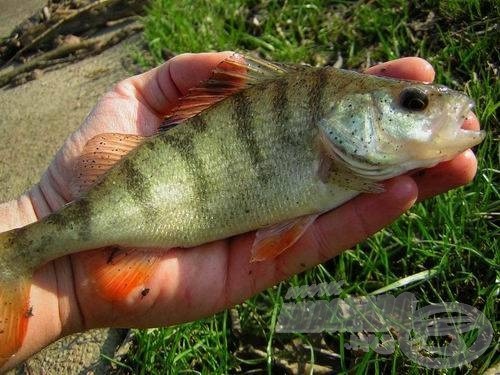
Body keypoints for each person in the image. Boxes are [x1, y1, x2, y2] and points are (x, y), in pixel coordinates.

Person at [0, 52, 480, 370]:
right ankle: (17, 252)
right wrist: (44, 222)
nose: (429, 110)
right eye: (412, 104)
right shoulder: (328, 148)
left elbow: (285, 227)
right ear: (347, 112)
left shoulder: (345, 163)